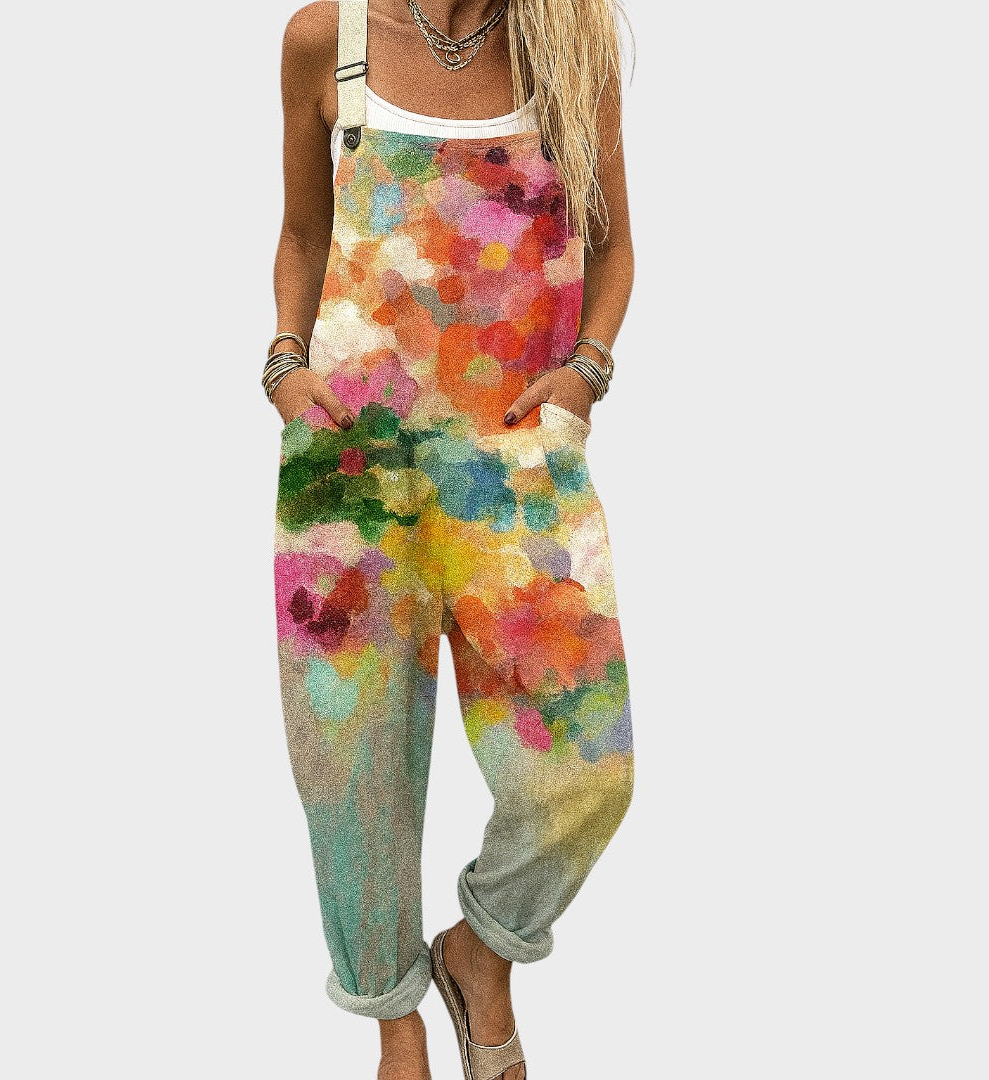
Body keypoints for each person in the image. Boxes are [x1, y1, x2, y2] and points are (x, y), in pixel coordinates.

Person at [265, 2, 635, 1076]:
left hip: (515, 470)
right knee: (356, 776)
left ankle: (481, 952)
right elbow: (304, 234)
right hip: (350, 472)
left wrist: (586, 374)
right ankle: (397, 1023)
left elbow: (612, 248)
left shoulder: (570, 40)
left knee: (585, 776)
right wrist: (284, 365)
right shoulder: (326, 38)